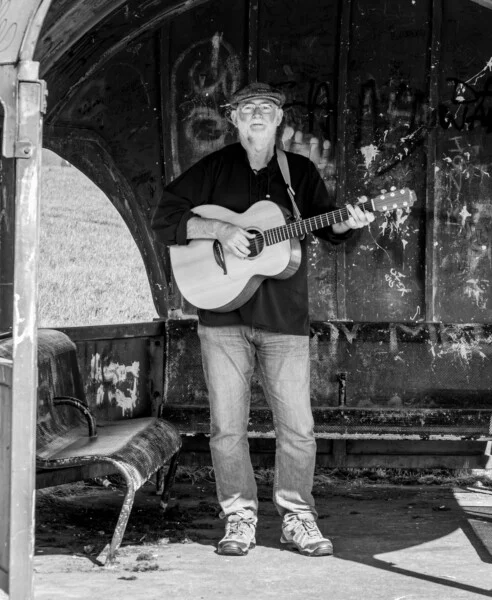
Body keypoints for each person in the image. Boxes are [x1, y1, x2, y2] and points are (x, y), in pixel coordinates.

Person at [152, 82, 373, 557]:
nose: (257, 115)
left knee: (297, 427)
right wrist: (221, 230)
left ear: (278, 120)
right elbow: (166, 216)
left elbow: (327, 227)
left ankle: (297, 518)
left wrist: (346, 221)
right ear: (234, 119)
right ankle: (239, 517)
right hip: (221, 315)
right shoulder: (214, 168)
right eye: (247, 108)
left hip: (284, 319)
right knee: (227, 427)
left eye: (266, 109)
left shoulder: (300, 172)